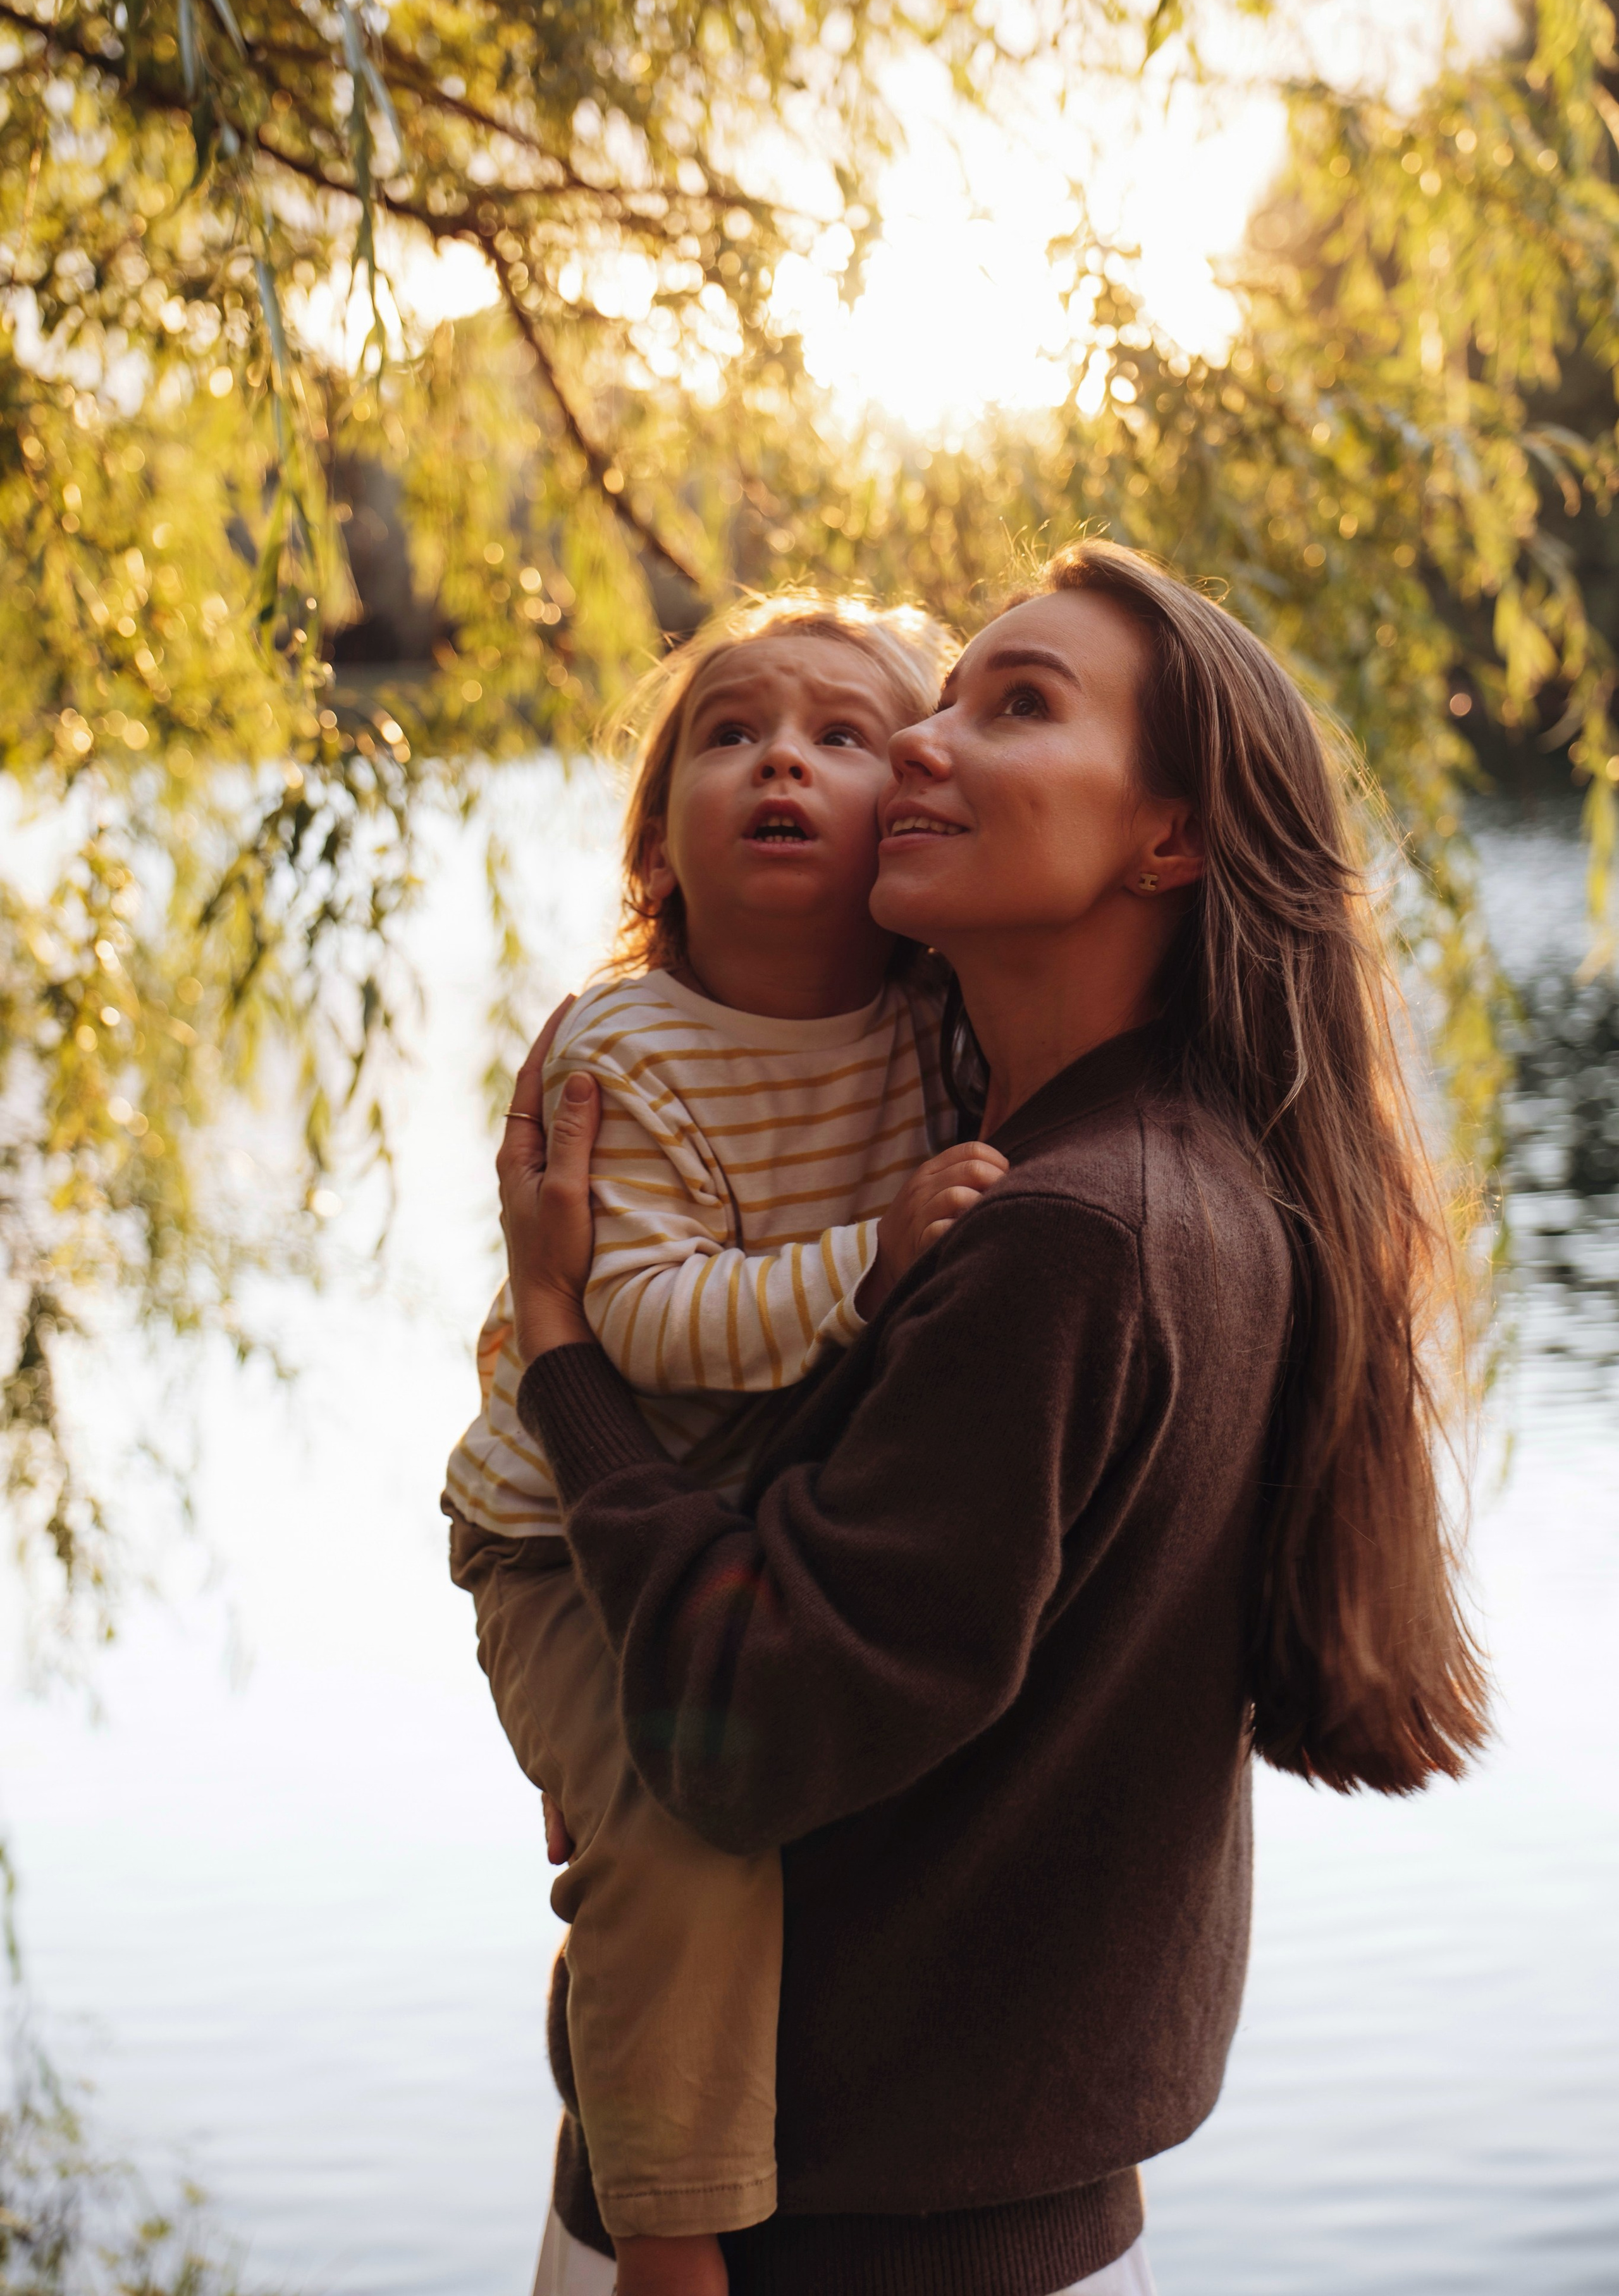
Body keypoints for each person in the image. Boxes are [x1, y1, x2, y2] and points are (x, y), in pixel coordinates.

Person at [501, 539, 1490, 2296]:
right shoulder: (1140, 1161)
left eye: (1016, 707)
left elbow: (738, 1727)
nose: (922, 743)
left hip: (834, 2236)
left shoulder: (1071, 1232)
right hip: (981, 2195)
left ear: (1168, 837)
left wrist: (562, 1344)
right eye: (942, 699)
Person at [444, 591, 1009, 2296]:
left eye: (843, 737)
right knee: (677, 1836)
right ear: (657, 846)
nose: (783, 761)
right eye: (733, 732)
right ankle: (669, 2234)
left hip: (726, 1536)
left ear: (912, 826)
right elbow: (641, 1318)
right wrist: (873, 1263)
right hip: (563, 1540)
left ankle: (658, 2081)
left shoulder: (936, 1021)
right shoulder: (623, 1052)